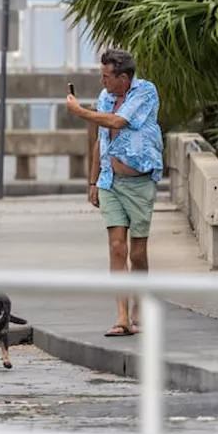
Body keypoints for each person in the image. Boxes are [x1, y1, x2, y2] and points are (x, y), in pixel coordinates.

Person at [66, 49, 163, 337]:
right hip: (111, 181)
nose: (102, 81)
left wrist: (79, 112)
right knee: (116, 247)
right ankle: (122, 317)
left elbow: (118, 122)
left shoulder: (145, 92)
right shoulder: (106, 97)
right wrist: (93, 181)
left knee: (138, 252)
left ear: (123, 78)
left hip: (140, 183)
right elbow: (101, 139)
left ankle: (139, 306)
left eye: (107, 76)